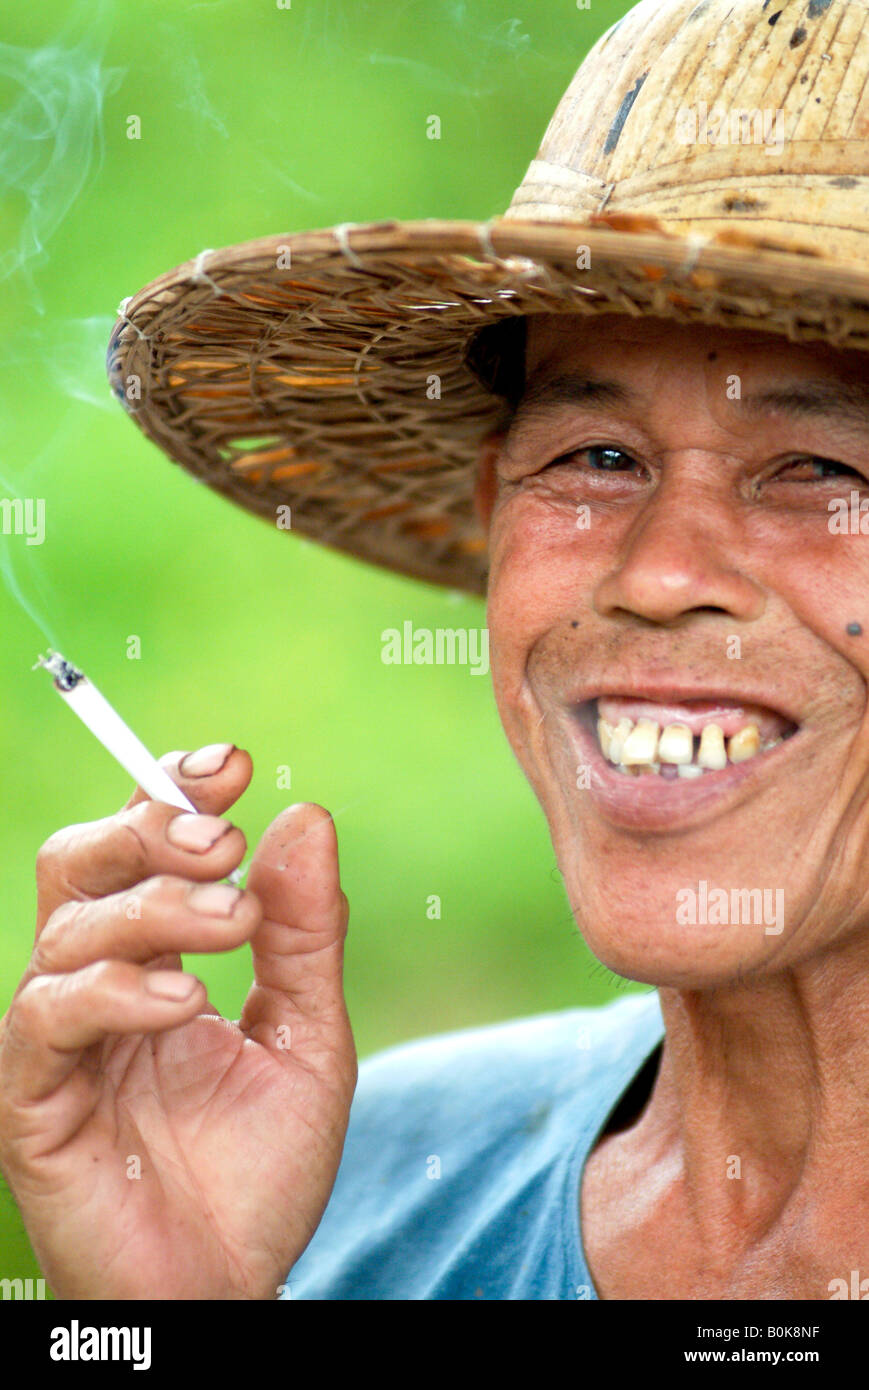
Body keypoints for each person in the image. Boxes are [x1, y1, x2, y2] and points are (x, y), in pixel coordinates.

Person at [4, 0, 869, 1300]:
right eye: (594, 460)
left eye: (815, 469)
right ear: (492, 518)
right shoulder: (353, 1187)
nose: (657, 575)